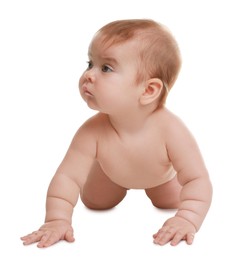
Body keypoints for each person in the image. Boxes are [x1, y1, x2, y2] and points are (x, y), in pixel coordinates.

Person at [21, 19, 212, 248]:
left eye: (106, 68)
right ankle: (105, 175)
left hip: (161, 177)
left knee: (171, 202)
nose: (89, 75)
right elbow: (68, 177)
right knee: (95, 202)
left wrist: (187, 218)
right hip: (111, 175)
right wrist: (57, 219)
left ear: (149, 90)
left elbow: (197, 179)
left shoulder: (171, 130)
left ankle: (163, 192)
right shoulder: (92, 131)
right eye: (90, 63)